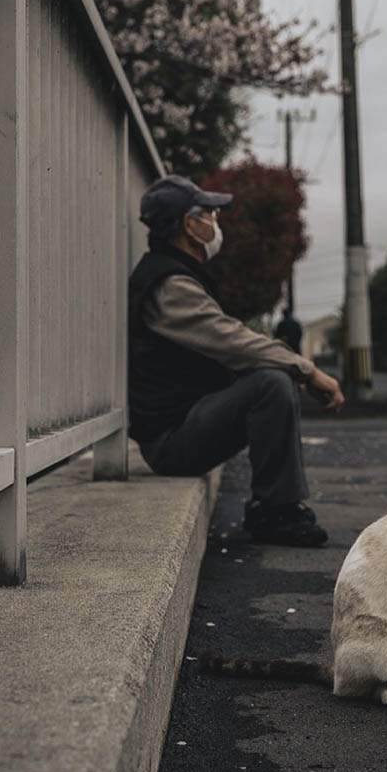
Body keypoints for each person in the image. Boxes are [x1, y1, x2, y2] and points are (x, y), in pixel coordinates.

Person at [128, 174, 345, 547]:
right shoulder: (169, 285)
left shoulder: (176, 274)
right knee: (271, 384)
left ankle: (275, 504)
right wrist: (307, 370)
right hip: (170, 442)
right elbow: (232, 340)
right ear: (189, 225)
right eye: (209, 213)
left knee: (272, 378)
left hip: (182, 425)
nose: (216, 222)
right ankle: (275, 511)